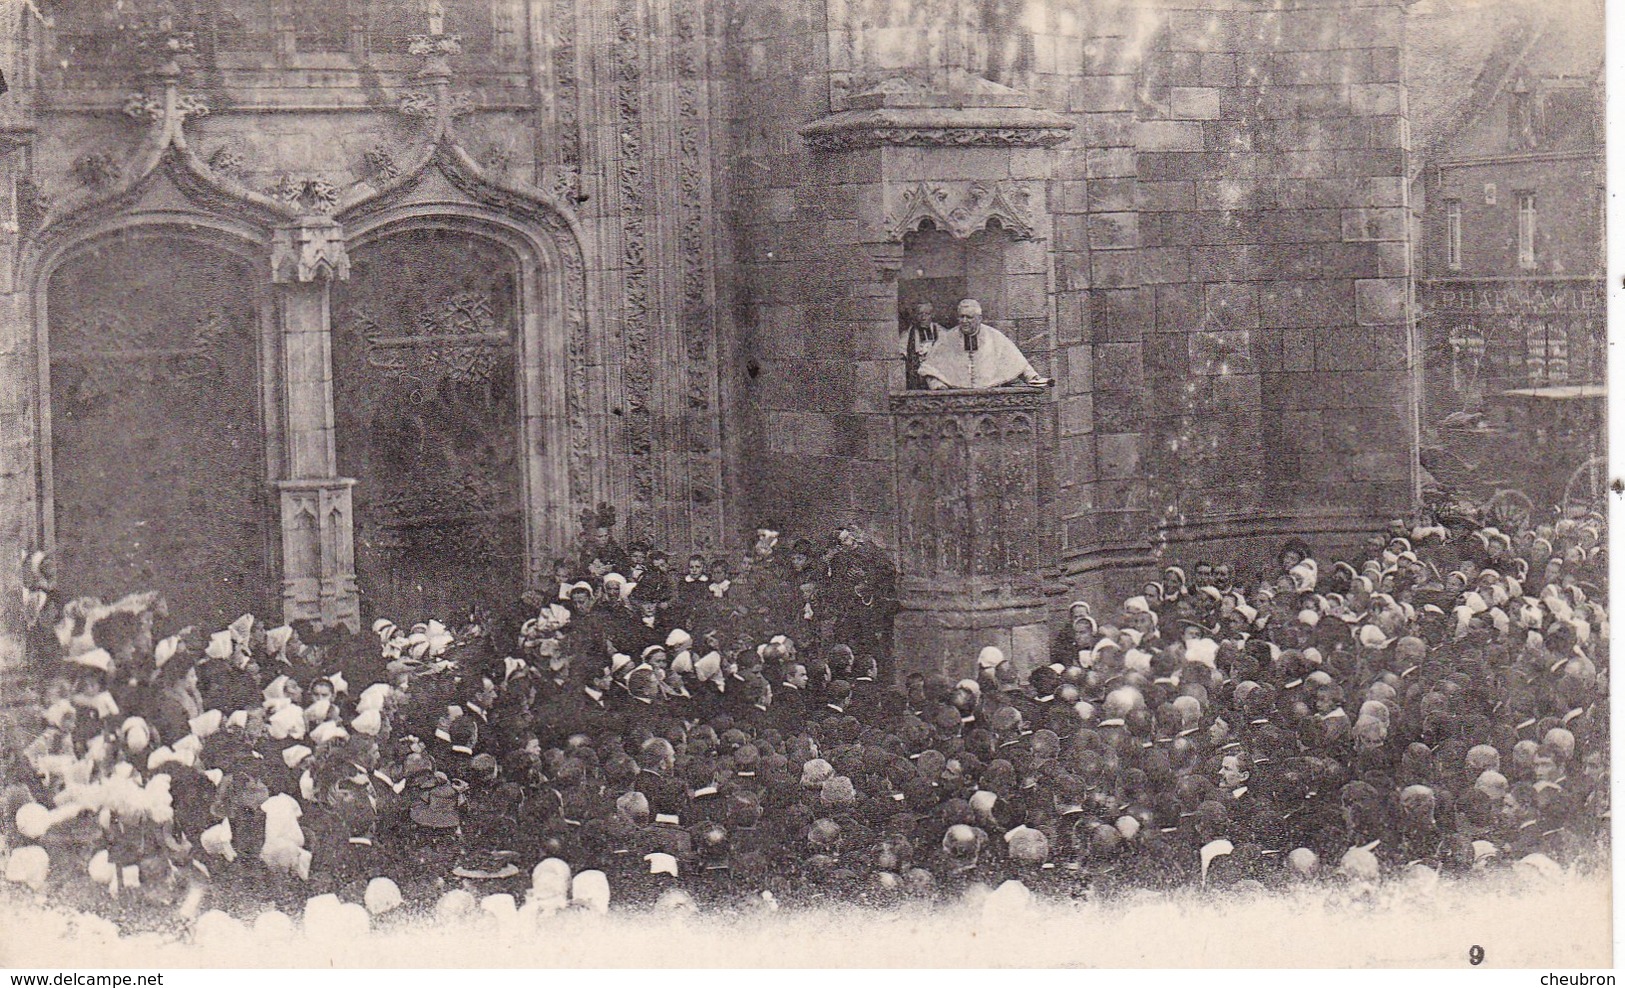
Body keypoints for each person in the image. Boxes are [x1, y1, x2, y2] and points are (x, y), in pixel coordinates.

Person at [915, 299, 1052, 391]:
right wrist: (938, 385)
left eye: (969, 317)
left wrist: (1032, 377)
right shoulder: (947, 338)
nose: (964, 321)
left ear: (979, 318)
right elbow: (930, 369)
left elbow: (1016, 361)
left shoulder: (993, 336)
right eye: (961, 317)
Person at [899, 301, 944, 391]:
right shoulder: (909, 333)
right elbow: (901, 349)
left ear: (932, 315)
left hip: (935, 371)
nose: (923, 317)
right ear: (915, 316)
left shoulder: (940, 331)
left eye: (926, 314)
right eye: (920, 314)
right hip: (916, 375)